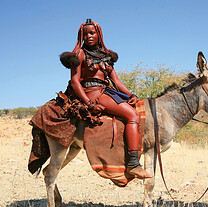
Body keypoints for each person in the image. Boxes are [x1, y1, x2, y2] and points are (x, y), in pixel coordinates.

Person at [60, 19, 152, 179]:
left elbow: (116, 81)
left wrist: (131, 95)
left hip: (106, 91)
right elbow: (75, 83)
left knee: (136, 109)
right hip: (92, 94)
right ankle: (133, 165)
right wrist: (89, 104)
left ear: (98, 34)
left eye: (92, 33)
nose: (89, 36)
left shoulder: (105, 56)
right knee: (133, 115)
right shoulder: (80, 54)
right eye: (85, 33)